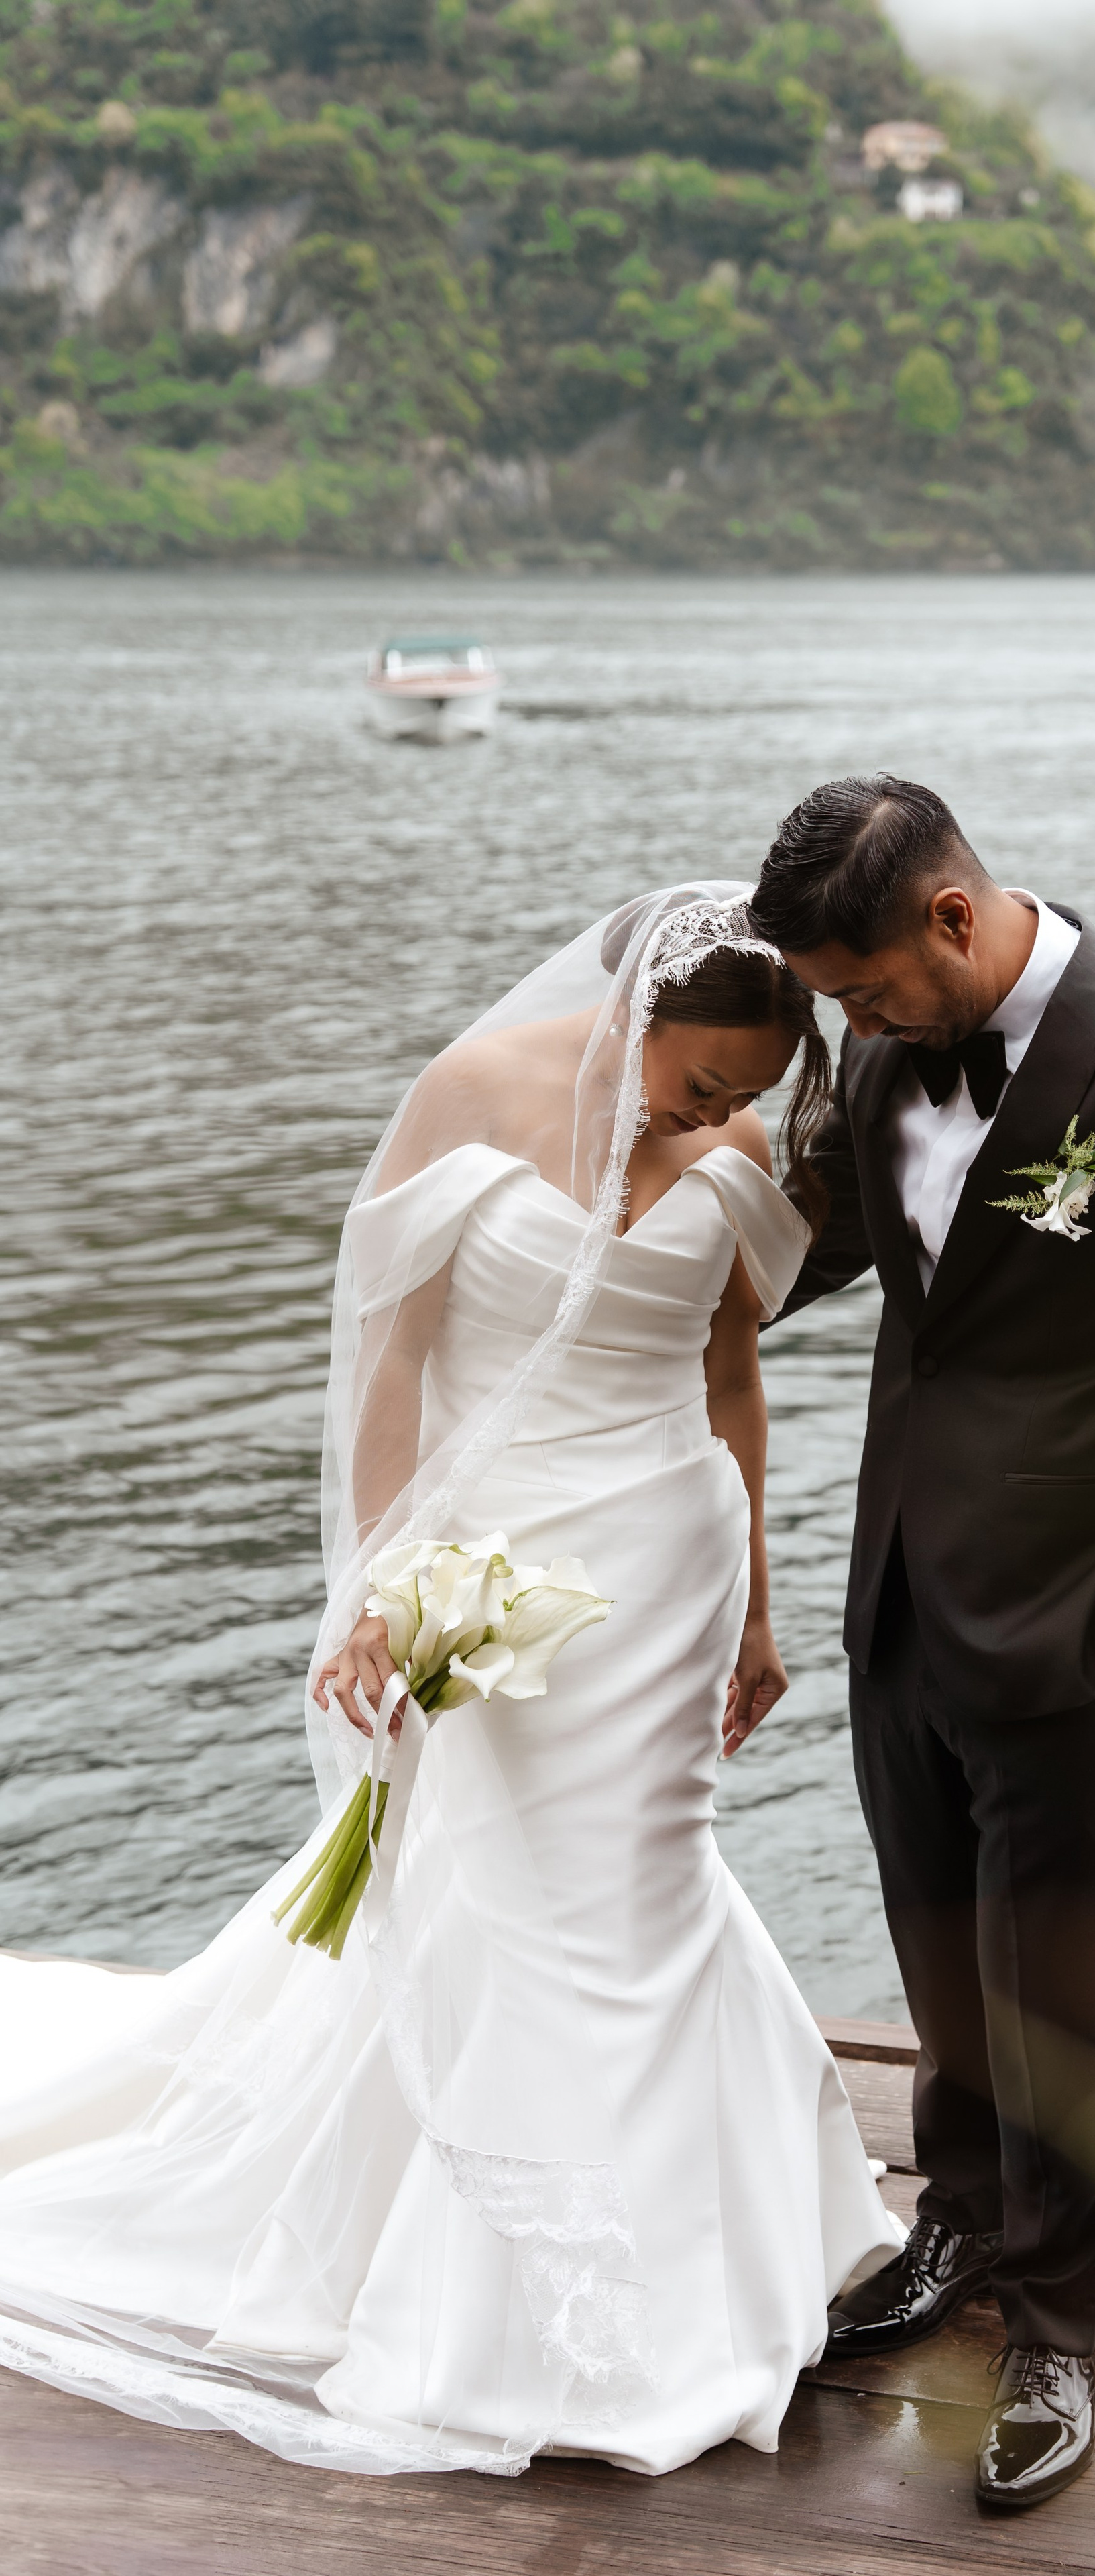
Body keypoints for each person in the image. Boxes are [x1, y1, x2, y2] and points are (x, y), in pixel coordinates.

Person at [0, 885, 900, 2478]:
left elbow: (731, 1378)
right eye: (702, 1080)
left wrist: (759, 1609)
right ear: (637, 1014)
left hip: (664, 1564)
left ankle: (698, 2261)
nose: (717, 1116)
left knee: (644, 1884)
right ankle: (504, 2282)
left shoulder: (743, 1152)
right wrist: (379, 1589)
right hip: (485, 1559)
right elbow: (397, 1360)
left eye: (747, 1095)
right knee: (502, 1887)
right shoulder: (472, 1089)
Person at [748, 780, 1095, 2514]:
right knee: (937, 1943)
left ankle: (1060, 2329)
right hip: (902, 1595)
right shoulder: (888, 1055)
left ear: (952, 916)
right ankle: (966, 2221)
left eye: (864, 990)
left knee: (1060, 1992)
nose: (853, 1027)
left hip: (1078, 1628)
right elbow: (824, 1246)